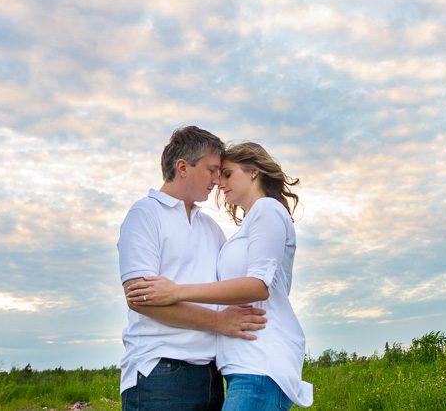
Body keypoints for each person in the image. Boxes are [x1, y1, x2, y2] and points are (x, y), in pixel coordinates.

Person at [126, 142, 313, 410]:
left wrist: (177, 291)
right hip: (237, 365)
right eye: (216, 172)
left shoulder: (267, 209)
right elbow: (138, 297)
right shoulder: (240, 229)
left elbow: (258, 286)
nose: (219, 182)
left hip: (260, 361)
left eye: (226, 173)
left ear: (253, 172)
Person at [117, 126, 268, 411]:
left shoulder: (210, 228)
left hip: (211, 374)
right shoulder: (144, 214)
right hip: (160, 372)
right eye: (211, 170)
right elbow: (139, 299)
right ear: (183, 167)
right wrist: (219, 322)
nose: (217, 181)